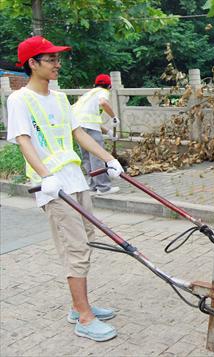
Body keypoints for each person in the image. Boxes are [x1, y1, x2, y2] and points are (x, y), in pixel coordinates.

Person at [7, 36, 124, 342]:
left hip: (75, 179)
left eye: (59, 59)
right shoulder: (20, 99)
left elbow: (77, 134)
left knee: (86, 238)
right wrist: (45, 176)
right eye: (51, 60)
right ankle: (84, 318)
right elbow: (23, 140)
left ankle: (78, 305)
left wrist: (109, 158)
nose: (58, 64)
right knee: (75, 247)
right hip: (52, 186)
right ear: (32, 64)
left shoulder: (58, 98)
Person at [72, 74, 119, 195]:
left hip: (77, 128)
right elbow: (103, 102)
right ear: (109, 86)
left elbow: (89, 120)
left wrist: (108, 131)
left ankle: (92, 185)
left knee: (87, 157)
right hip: (88, 128)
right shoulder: (103, 92)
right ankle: (103, 187)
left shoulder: (88, 95)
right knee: (97, 157)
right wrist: (113, 116)